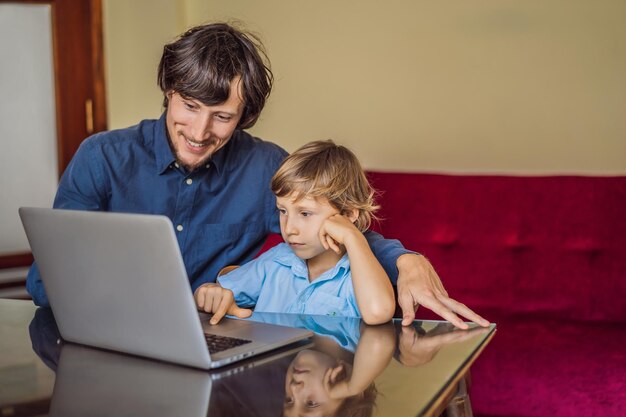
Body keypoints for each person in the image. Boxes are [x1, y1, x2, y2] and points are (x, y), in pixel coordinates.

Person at [25, 22, 488, 329]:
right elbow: (46, 279)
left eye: (222, 117)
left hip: (213, 340)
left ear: (245, 115)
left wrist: (405, 260)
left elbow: (328, 226)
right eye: (189, 106)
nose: (200, 132)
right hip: (110, 335)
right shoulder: (101, 157)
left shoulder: (266, 166)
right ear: (169, 92)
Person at [194, 140, 396, 325]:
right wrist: (207, 295)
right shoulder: (277, 261)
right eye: (283, 211)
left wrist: (353, 237)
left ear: (348, 214)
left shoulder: (358, 275)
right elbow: (216, 291)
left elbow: (378, 312)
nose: (289, 229)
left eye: (305, 213)